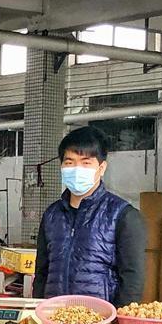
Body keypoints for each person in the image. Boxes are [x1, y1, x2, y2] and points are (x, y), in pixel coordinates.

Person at [31, 126, 147, 307]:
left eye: (86, 163)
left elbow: (132, 280)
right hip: (53, 317)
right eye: (69, 162)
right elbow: (42, 273)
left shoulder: (123, 215)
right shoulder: (51, 216)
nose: (77, 169)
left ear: (101, 168)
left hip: (100, 322)